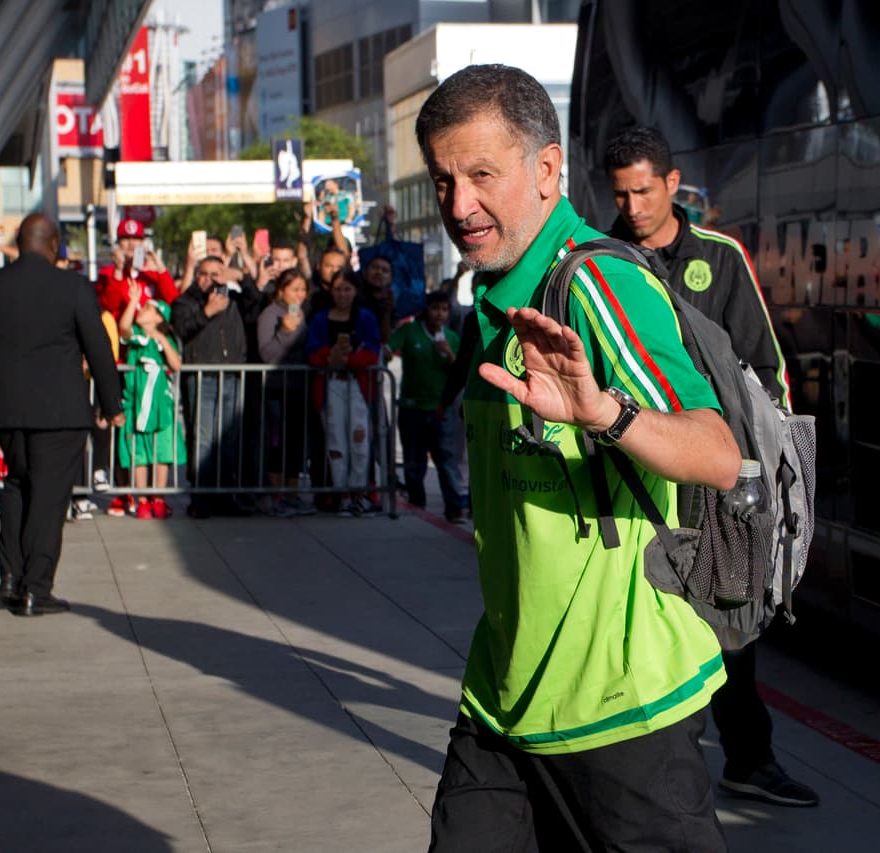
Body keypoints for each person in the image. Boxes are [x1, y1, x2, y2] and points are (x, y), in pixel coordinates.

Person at [418, 65, 741, 851]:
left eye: (482, 175)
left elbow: (720, 453)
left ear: (549, 169)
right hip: (504, 695)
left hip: (622, 706)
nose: (459, 206)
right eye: (443, 180)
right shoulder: (495, 298)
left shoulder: (598, 282)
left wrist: (608, 413)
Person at [604, 125, 818, 808]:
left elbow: (764, 361)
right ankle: (650, 764)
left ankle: (748, 759)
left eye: (643, 189)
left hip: (716, 469)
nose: (633, 205)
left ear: (672, 183)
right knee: (640, 619)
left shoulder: (719, 257)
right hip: (630, 468)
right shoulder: (594, 258)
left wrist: (767, 462)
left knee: (730, 614)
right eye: (620, 193)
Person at [0, 214, 124, 616]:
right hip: (60, 412)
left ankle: (10, 579)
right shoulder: (72, 287)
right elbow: (98, 348)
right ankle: (36, 588)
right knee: (49, 499)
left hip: (5, 412)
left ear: (19, 242)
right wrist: (112, 403)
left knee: (16, 487)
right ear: (53, 245)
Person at [173, 255, 261, 518]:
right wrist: (206, 313)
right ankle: (202, 496)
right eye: (204, 273)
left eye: (216, 274)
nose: (210, 280)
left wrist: (240, 277)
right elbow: (181, 329)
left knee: (229, 439)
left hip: (232, 376)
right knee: (204, 438)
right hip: (203, 377)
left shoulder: (233, 300)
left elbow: (256, 301)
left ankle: (225, 495)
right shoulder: (186, 302)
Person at [306, 272, 380, 516]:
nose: (342, 294)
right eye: (338, 289)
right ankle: (342, 494)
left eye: (347, 289)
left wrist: (347, 359)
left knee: (359, 439)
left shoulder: (365, 317)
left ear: (355, 291)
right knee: (336, 440)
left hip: (358, 386)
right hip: (331, 385)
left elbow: (373, 350)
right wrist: (330, 356)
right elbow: (313, 352)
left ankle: (359, 492)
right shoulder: (320, 319)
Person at [387, 290, 463, 522]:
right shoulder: (409, 331)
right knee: (413, 459)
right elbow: (388, 349)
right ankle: (416, 502)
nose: (439, 314)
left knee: (446, 461)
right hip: (412, 408)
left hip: (441, 410)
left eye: (444, 309)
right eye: (435, 308)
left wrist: (449, 354)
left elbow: (459, 372)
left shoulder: (451, 337)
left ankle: (454, 508)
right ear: (426, 311)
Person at [117, 280, 186, 520]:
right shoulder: (136, 338)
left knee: (161, 453)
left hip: (161, 409)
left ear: (159, 317)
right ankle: (142, 499)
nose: (141, 310)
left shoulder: (161, 341)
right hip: (136, 406)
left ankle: (158, 497)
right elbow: (123, 327)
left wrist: (162, 339)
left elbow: (176, 364)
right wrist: (133, 300)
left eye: (147, 308)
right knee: (139, 454)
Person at [257, 268, 317, 516]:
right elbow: (267, 353)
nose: (299, 295)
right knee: (277, 442)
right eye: (294, 289)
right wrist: (284, 332)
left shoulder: (305, 314)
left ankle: (292, 495)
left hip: (300, 387)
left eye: (302, 290)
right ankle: (277, 495)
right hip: (275, 389)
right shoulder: (270, 314)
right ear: (281, 290)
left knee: (295, 443)